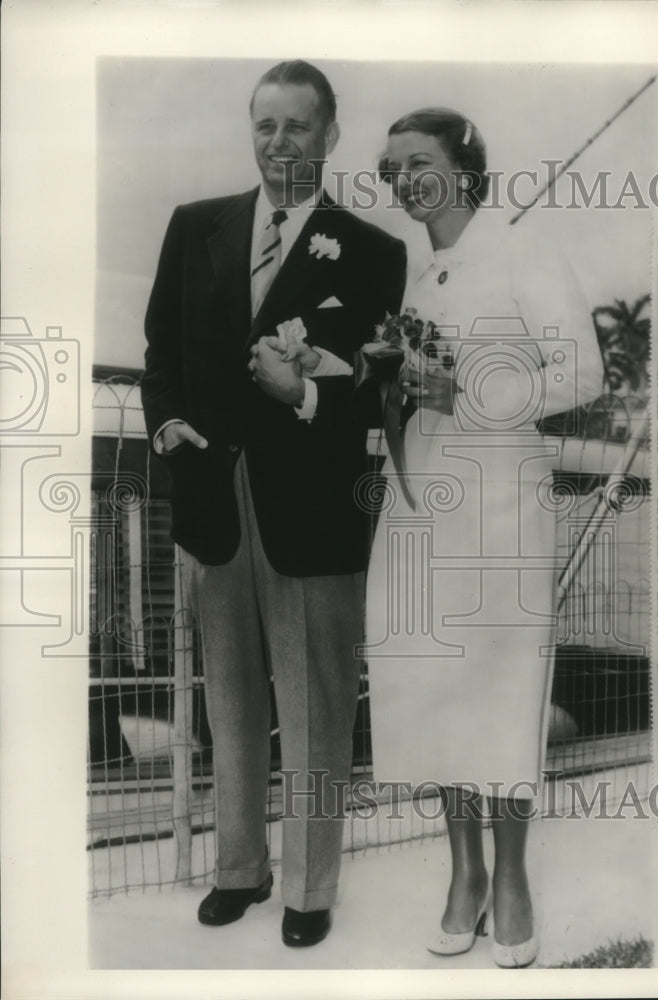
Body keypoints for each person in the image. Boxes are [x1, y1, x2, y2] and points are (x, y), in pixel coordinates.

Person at [141, 60, 406, 948]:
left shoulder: (373, 251)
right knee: (233, 703)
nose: (278, 143)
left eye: (297, 126)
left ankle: (309, 891)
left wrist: (303, 393)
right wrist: (170, 424)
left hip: (315, 512)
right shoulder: (195, 227)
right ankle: (239, 872)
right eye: (265, 125)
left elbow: (372, 389)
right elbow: (161, 350)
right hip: (215, 499)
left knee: (320, 704)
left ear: (330, 135)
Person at [364, 108, 604, 967]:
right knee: (432, 687)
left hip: (501, 502)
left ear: (465, 167)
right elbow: (408, 382)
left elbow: (582, 368)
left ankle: (510, 878)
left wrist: (463, 387)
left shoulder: (521, 248)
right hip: (421, 498)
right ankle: (463, 872)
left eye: (418, 162)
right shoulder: (420, 276)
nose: (402, 180)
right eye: (391, 169)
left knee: (498, 692)